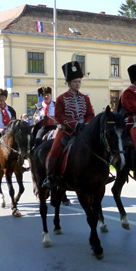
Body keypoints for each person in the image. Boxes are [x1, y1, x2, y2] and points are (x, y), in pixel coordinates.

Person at [42, 61, 95, 190]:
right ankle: (50, 177)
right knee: (54, 151)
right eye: (75, 82)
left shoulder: (85, 98)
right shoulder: (61, 98)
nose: (78, 84)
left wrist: (86, 124)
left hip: (83, 131)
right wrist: (75, 124)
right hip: (66, 131)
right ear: (69, 83)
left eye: (79, 82)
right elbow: (59, 116)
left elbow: (90, 114)